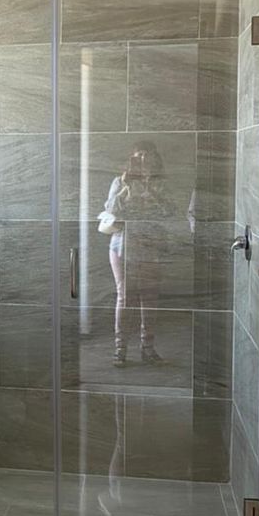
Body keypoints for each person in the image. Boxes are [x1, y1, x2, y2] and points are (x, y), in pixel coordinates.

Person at [103, 142, 169, 368]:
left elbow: (170, 212)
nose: (142, 159)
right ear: (131, 158)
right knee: (124, 297)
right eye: (138, 155)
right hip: (123, 246)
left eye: (147, 155)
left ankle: (147, 348)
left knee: (149, 298)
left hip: (151, 246)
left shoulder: (160, 183)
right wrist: (126, 186)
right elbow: (110, 210)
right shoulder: (120, 181)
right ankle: (120, 349)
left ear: (154, 158)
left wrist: (151, 190)